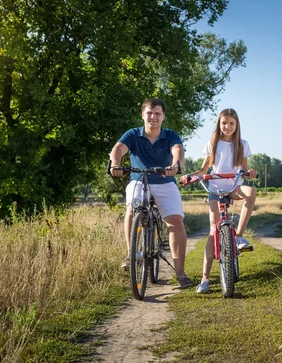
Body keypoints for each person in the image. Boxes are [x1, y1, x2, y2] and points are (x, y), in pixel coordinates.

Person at [109, 98, 193, 289]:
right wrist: (115, 164)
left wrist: (175, 165)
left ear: (163, 116)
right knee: (133, 208)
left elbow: (177, 150)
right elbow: (118, 149)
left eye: (157, 113)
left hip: (164, 181)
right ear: (143, 115)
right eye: (149, 113)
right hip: (138, 180)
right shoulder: (132, 134)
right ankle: (132, 254)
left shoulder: (170, 135)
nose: (153, 117)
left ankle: (180, 273)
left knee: (176, 222)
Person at [181, 108, 257, 294]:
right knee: (213, 230)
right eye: (224, 123)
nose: (228, 127)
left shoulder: (242, 144)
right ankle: (205, 279)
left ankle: (238, 235)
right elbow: (204, 169)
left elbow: (245, 170)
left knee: (251, 192)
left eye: (231, 123)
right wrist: (190, 176)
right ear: (219, 124)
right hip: (214, 188)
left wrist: (251, 173)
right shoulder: (212, 143)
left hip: (233, 188)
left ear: (236, 125)